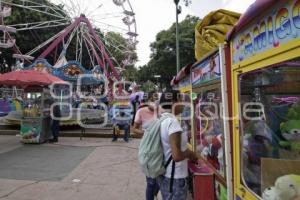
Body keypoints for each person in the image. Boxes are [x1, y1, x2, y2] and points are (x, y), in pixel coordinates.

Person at [158, 90, 198, 200]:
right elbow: (177, 156)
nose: (183, 103)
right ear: (173, 102)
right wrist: (190, 153)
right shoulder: (172, 122)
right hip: (175, 178)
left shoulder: (162, 119)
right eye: (181, 100)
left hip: (166, 175)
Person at [132, 91, 159, 200]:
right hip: (148, 150)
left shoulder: (162, 112)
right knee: (151, 182)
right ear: (148, 101)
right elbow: (134, 129)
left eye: (156, 99)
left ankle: (155, 193)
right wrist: (146, 133)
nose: (155, 102)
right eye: (152, 99)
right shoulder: (141, 111)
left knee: (160, 181)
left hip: (162, 150)